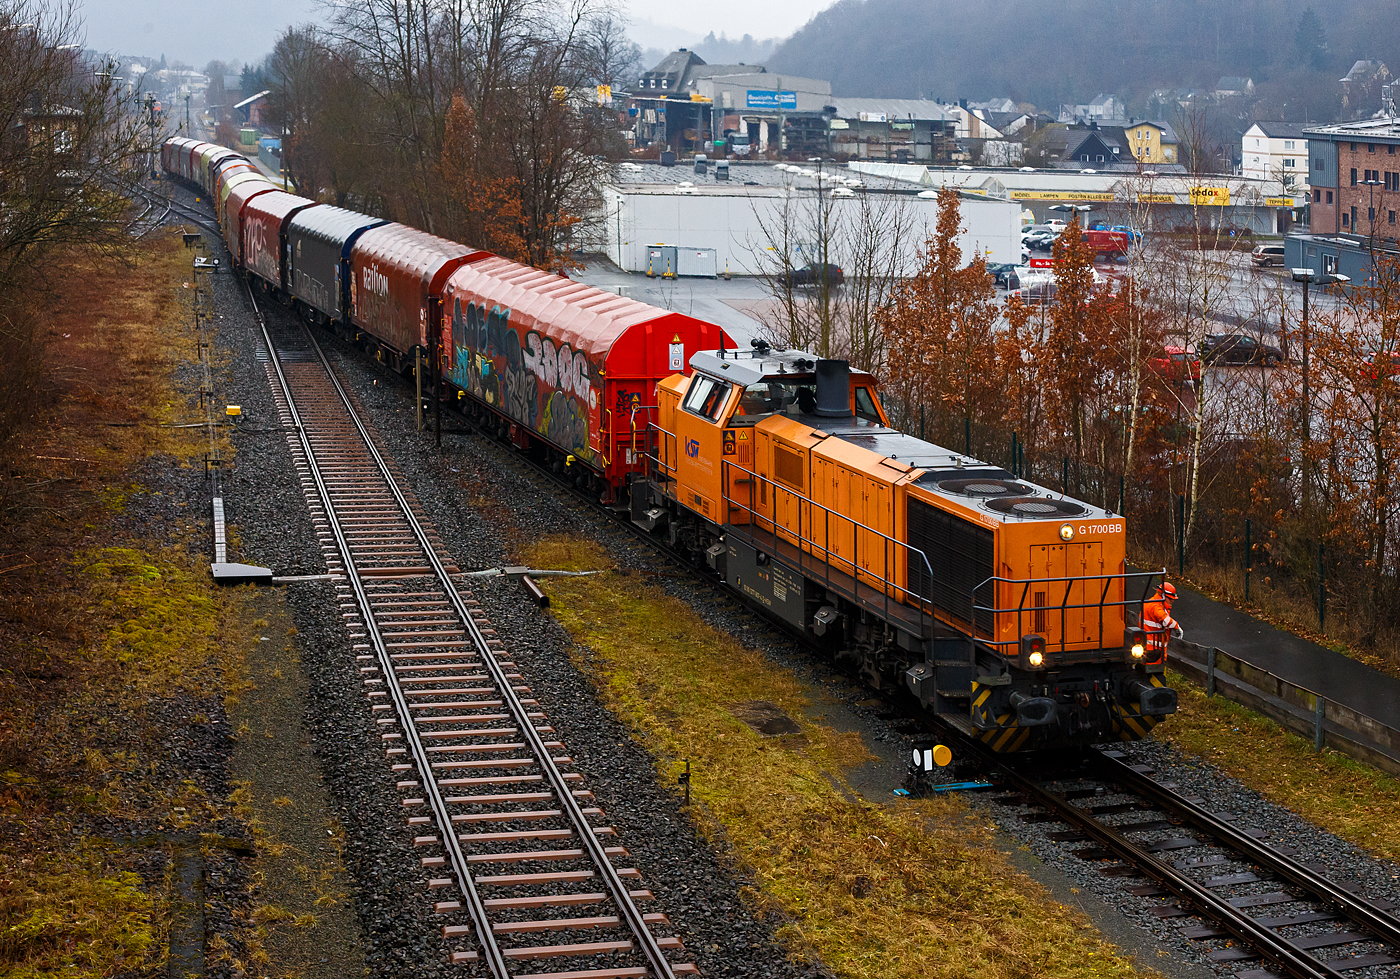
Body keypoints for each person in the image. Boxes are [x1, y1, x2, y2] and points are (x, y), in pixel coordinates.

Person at [1141, 581, 1182, 666]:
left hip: (1149, 649)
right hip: (1154, 652)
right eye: (1170, 598)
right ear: (1163, 596)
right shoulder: (1156, 607)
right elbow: (1166, 620)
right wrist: (1176, 626)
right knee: (1154, 674)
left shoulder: (1151, 603)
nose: (1172, 601)